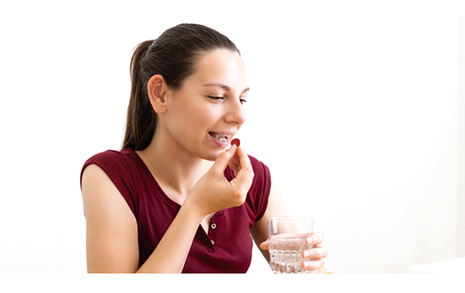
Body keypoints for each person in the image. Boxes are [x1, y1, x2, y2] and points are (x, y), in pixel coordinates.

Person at [80, 23, 328, 273]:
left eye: (242, 99)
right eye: (218, 97)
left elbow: (300, 273)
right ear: (160, 94)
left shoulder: (250, 177)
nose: (239, 116)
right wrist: (195, 208)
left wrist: (311, 269)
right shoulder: (110, 176)